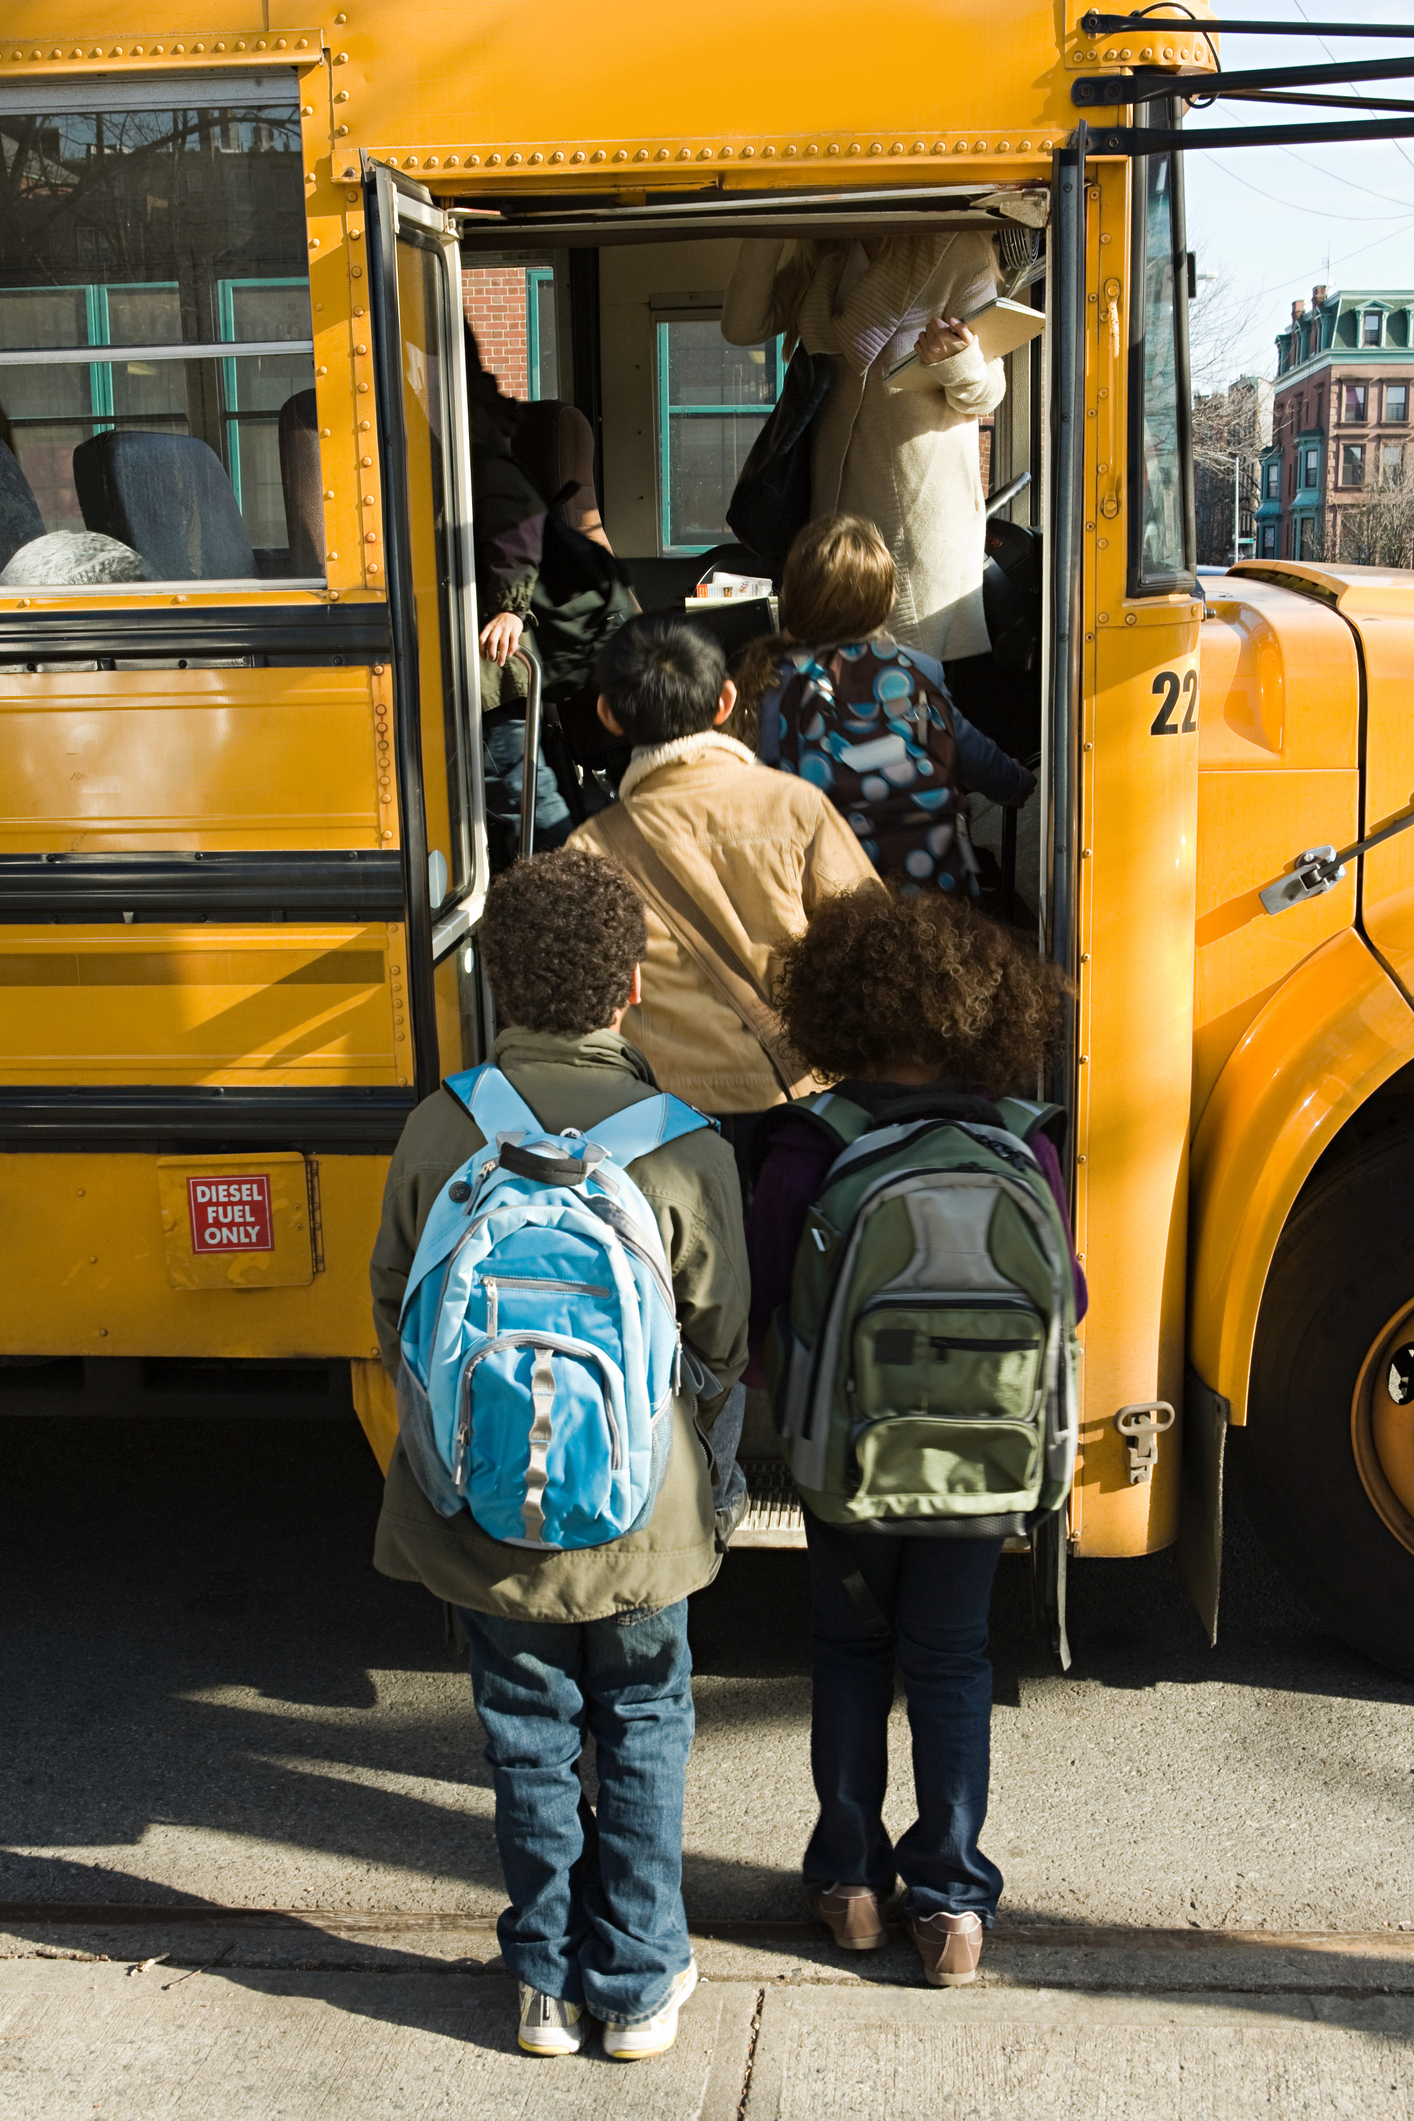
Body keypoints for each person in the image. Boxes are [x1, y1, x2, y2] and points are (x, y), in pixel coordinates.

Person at [369, 847, 749, 2059]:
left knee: (525, 1730)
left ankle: (542, 1980)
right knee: (642, 1714)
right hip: (641, 1510)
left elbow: (394, 1312)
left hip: (483, 1504)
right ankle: (637, 1984)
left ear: (496, 985)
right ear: (629, 987)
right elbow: (725, 1336)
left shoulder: (444, 1127)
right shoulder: (684, 1142)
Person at [745, 887, 1084, 1987]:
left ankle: (847, 1884)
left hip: (848, 1457)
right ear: (985, 1011)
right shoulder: (1020, 1143)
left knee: (849, 1654)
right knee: (951, 1664)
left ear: (838, 1005)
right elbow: (1064, 1299)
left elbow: (757, 1288)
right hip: (984, 1462)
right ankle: (949, 1907)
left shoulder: (813, 1139)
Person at [568, 613, 883, 1194]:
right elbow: (872, 944)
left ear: (608, 715)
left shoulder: (590, 846)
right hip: (796, 1105)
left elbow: (584, 1010)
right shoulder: (796, 807)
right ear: (726, 702)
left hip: (663, 1122)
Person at [722, 232, 1005, 675]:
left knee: (907, 695)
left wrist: (957, 359)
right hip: (833, 520)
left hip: (916, 522)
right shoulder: (826, 254)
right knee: (840, 692)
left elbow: (987, 393)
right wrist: (771, 220)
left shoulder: (955, 250)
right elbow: (742, 327)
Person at [738, 513, 1034, 895]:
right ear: (887, 598)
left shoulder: (770, 682)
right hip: (936, 897)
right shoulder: (919, 671)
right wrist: (1018, 785)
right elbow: (973, 754)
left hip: (828, 898)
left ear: (790, 593)